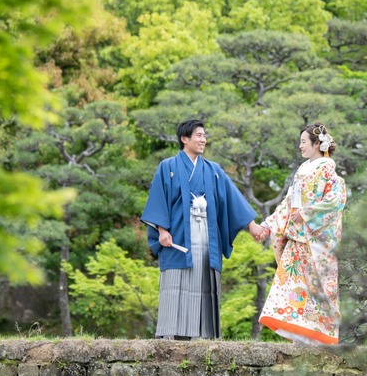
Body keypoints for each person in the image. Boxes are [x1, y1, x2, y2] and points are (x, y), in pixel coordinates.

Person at [141, 119, 266, 339]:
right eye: (199, 135)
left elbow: (232, 199)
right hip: (178, 234)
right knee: (176, 279)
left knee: (203, 279)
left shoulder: (213, 170)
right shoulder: (167, 166)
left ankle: (203, 335)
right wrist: (162, 230)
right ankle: (172, 333)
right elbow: (159, 200)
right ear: (184, 138)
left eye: (204, 136)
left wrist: (252, 225)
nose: (203, 140)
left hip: (206, 235)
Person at [253, 122, 347, 344]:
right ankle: (298, 335)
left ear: (317, 144)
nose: (300, 146)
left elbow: (336, 200)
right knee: (290, 285)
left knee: (316, 287)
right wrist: (268, 226)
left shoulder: (327, 168)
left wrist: (306, 212)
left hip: (315, 240)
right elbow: (288, 202)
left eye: (304, 142)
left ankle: (316, 336)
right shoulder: (303, 169)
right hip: (297, 238)